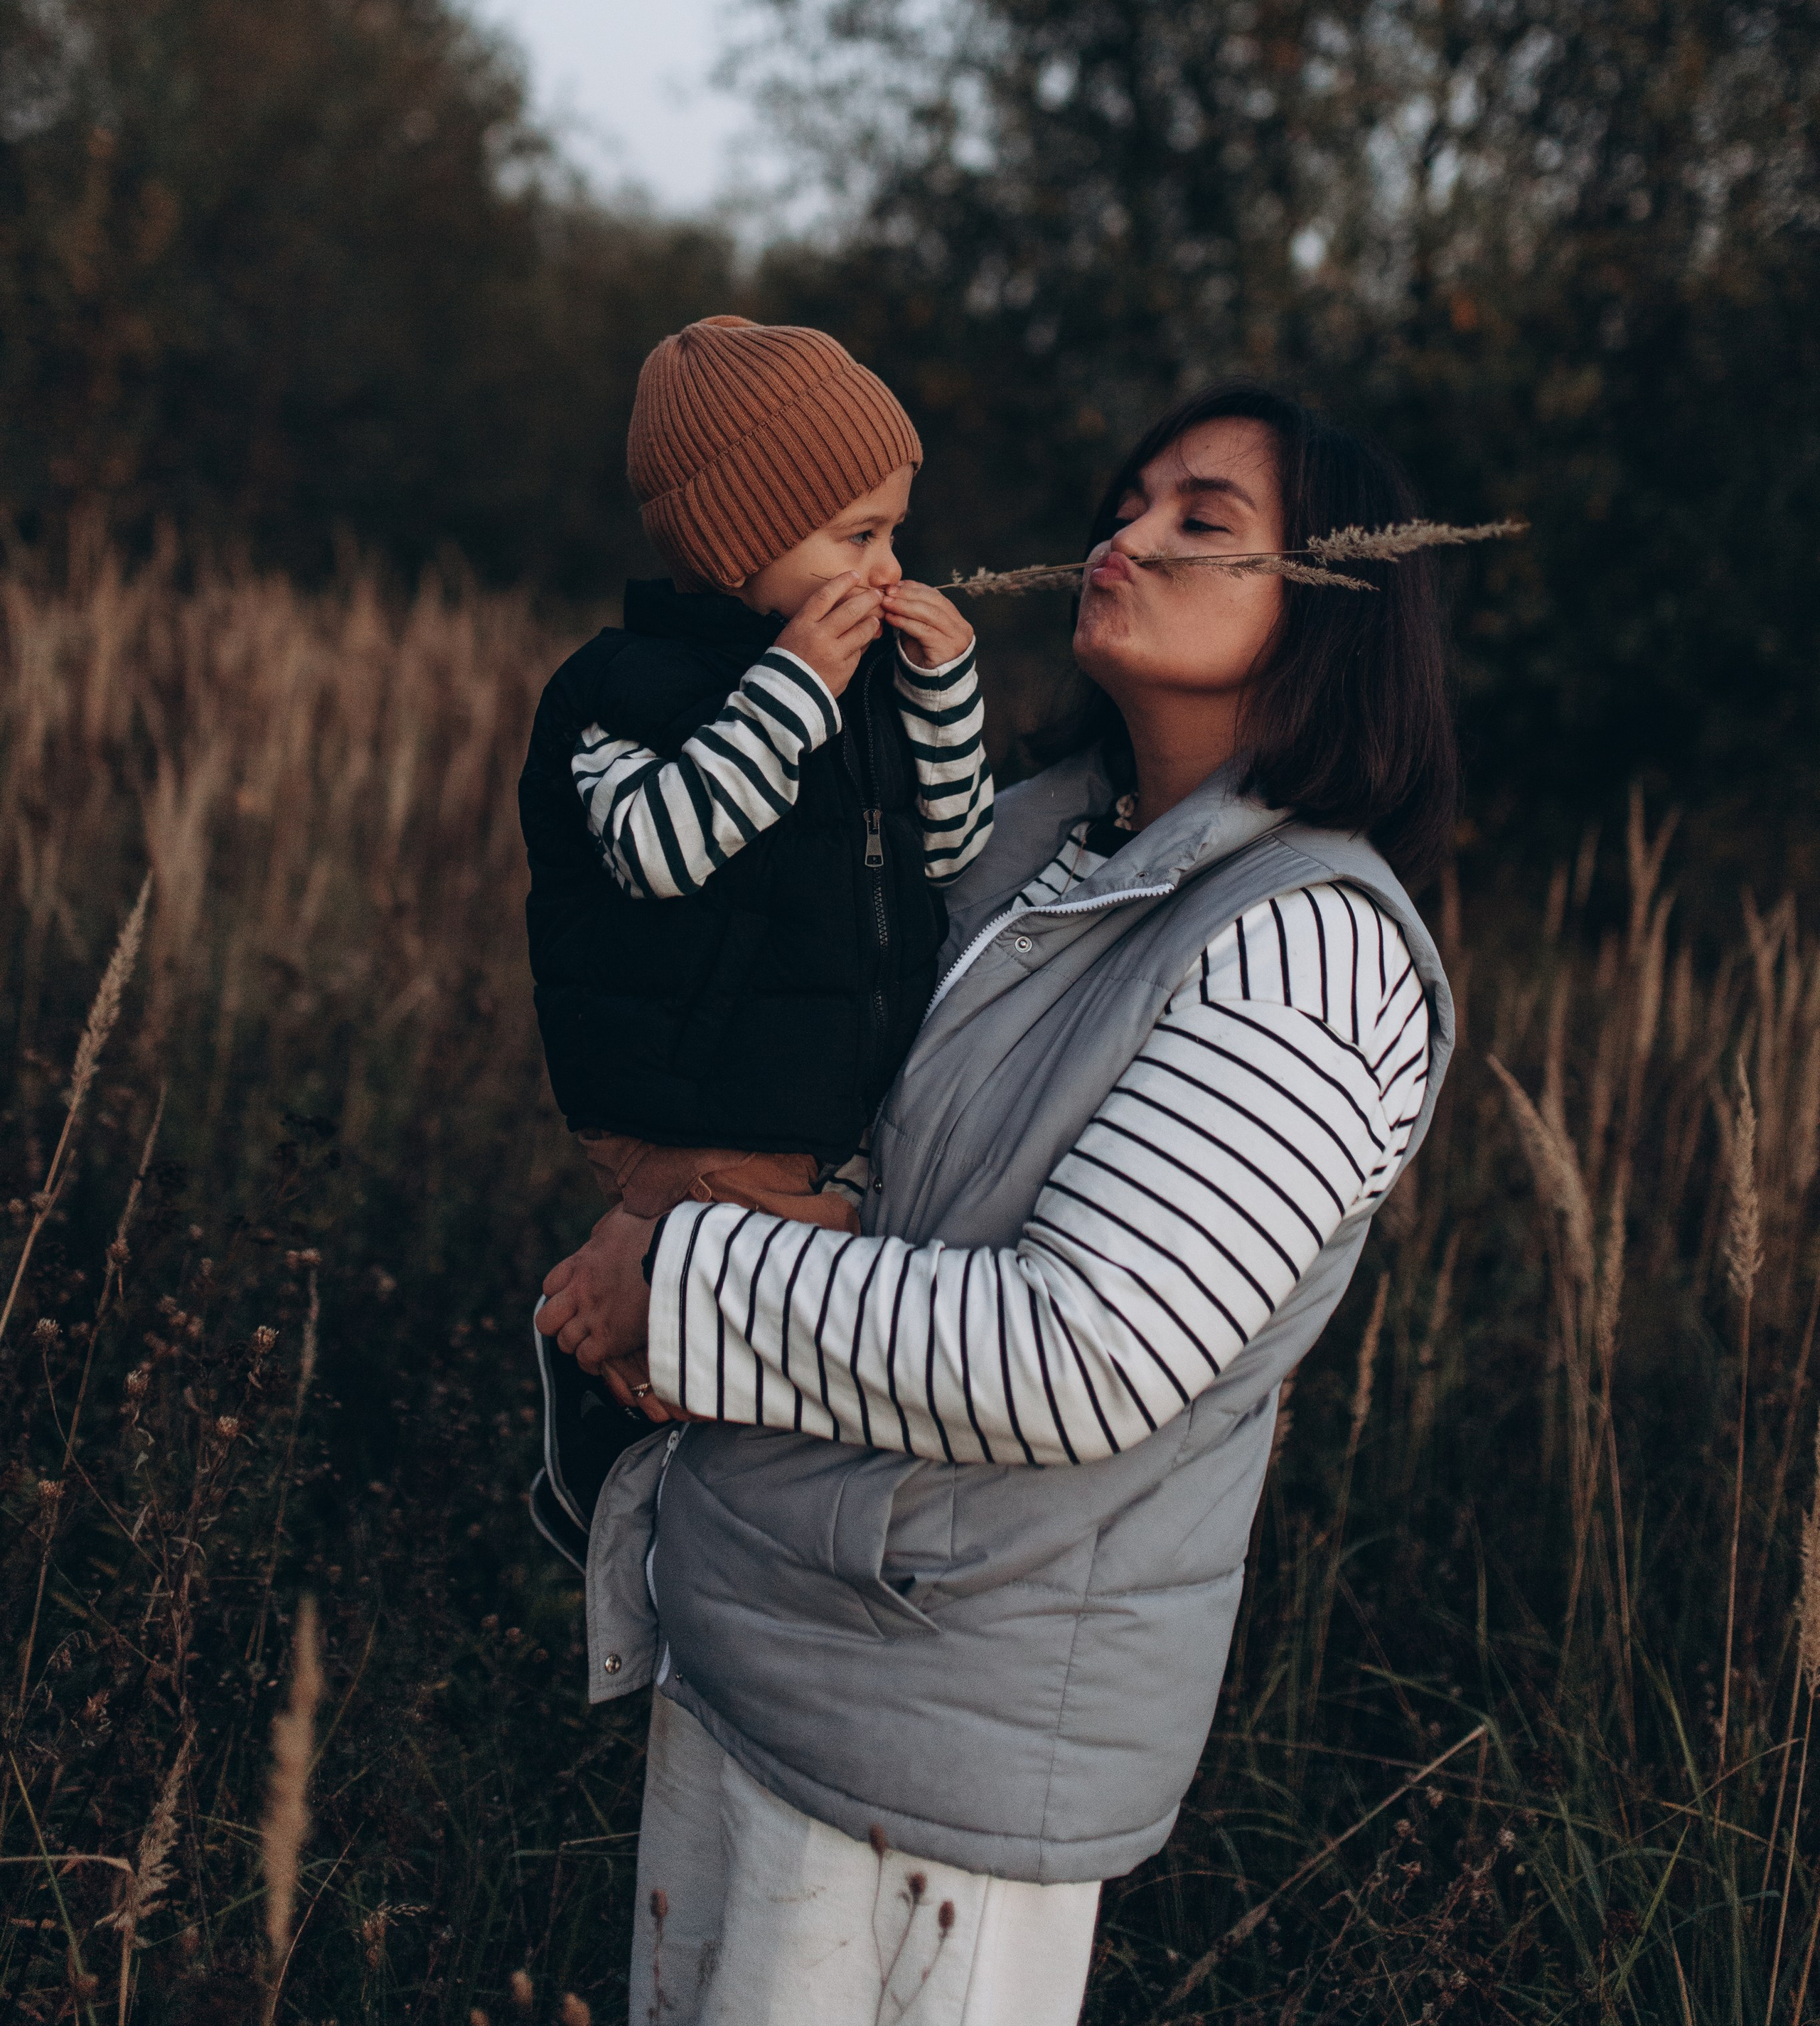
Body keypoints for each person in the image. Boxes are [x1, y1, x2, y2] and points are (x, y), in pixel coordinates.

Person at [541, 382, 1458, 2026]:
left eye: (1203, 522)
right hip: (755, 1629)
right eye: (1128, 497)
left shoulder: (1304, 950)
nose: (1125, 534)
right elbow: (839, 1116)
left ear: (1337, 613)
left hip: (939, 1735)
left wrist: (678, 1275)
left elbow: (1079, 1352)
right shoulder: (1033, 834)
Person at [522, 315, 992, 1538]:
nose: (890, 567)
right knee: (791, 1290)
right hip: (688, 1083)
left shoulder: (866, 678)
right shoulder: (617, 690)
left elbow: (953, 852)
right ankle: (599, 1431)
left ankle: (673, 1466)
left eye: (896, 531)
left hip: (803, 1089)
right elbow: (662, 850)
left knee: (778, 1316)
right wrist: (785, 692)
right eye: (859, 535)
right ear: (739, 542)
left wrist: (941, 698)